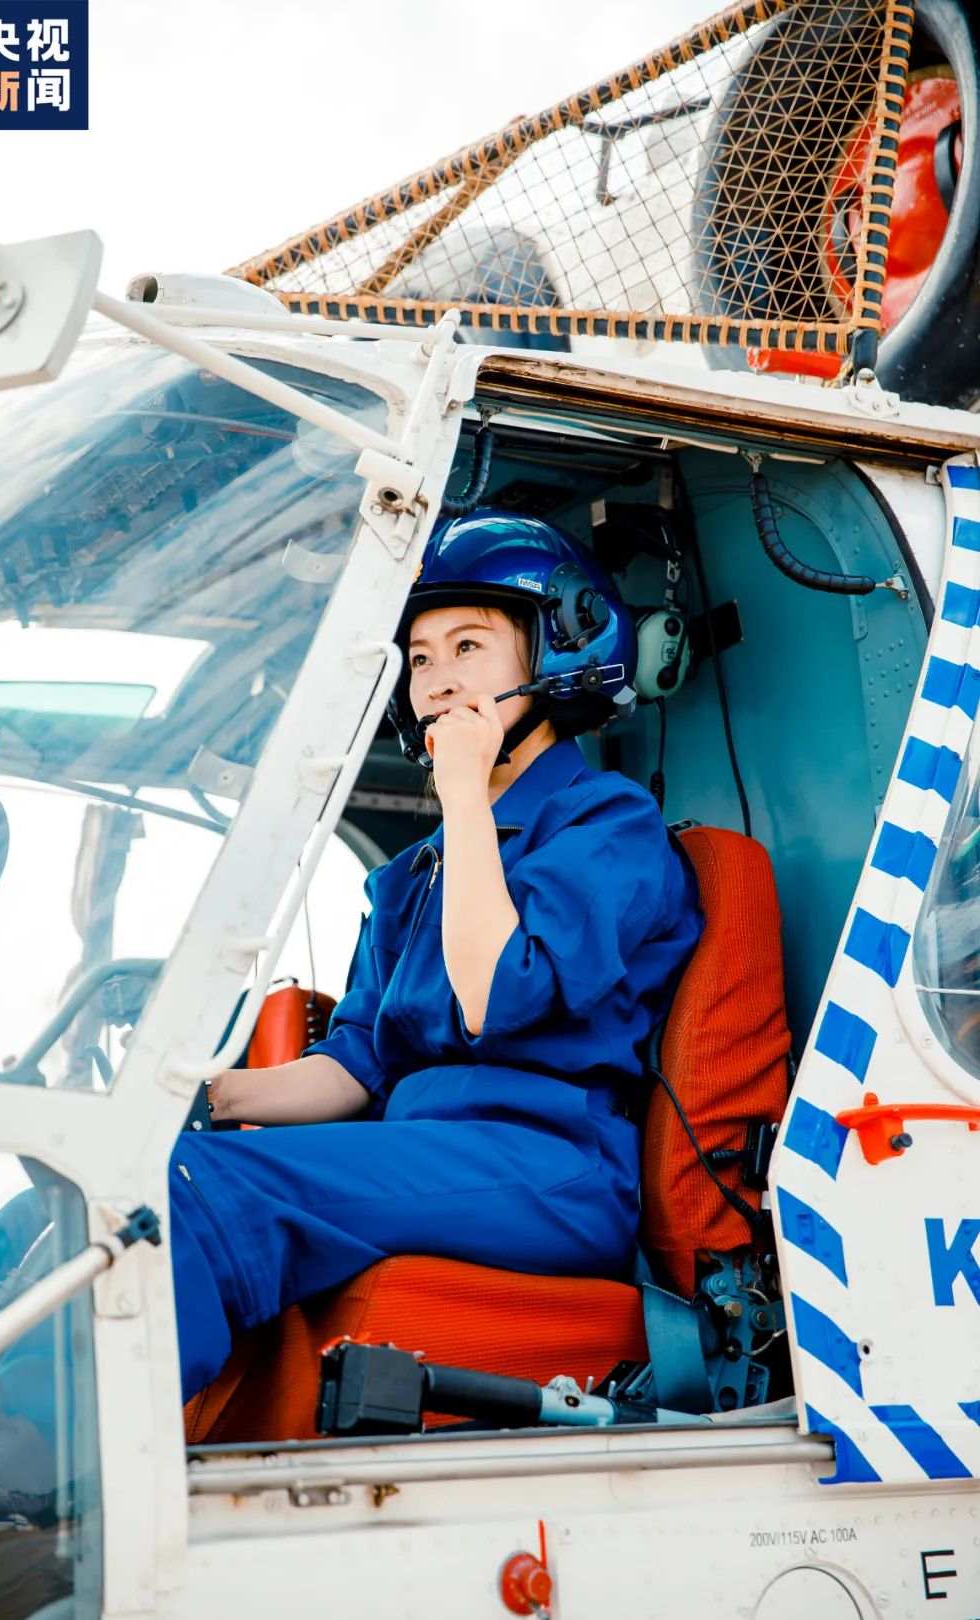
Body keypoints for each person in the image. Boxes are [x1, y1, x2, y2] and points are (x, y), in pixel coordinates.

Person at [171, 510, 703, 1401]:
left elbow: (498, 992)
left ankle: (59, 1460)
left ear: (560, 651)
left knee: (195, 1192)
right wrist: (201, 1096)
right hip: (430, 1149)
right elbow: (357, 1064)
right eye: (419, 659)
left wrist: (462, 789)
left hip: (549, 1167)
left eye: (468, 647)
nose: (438, 679)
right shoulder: (413, 876)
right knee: (121, 1183)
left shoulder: (607, 825)